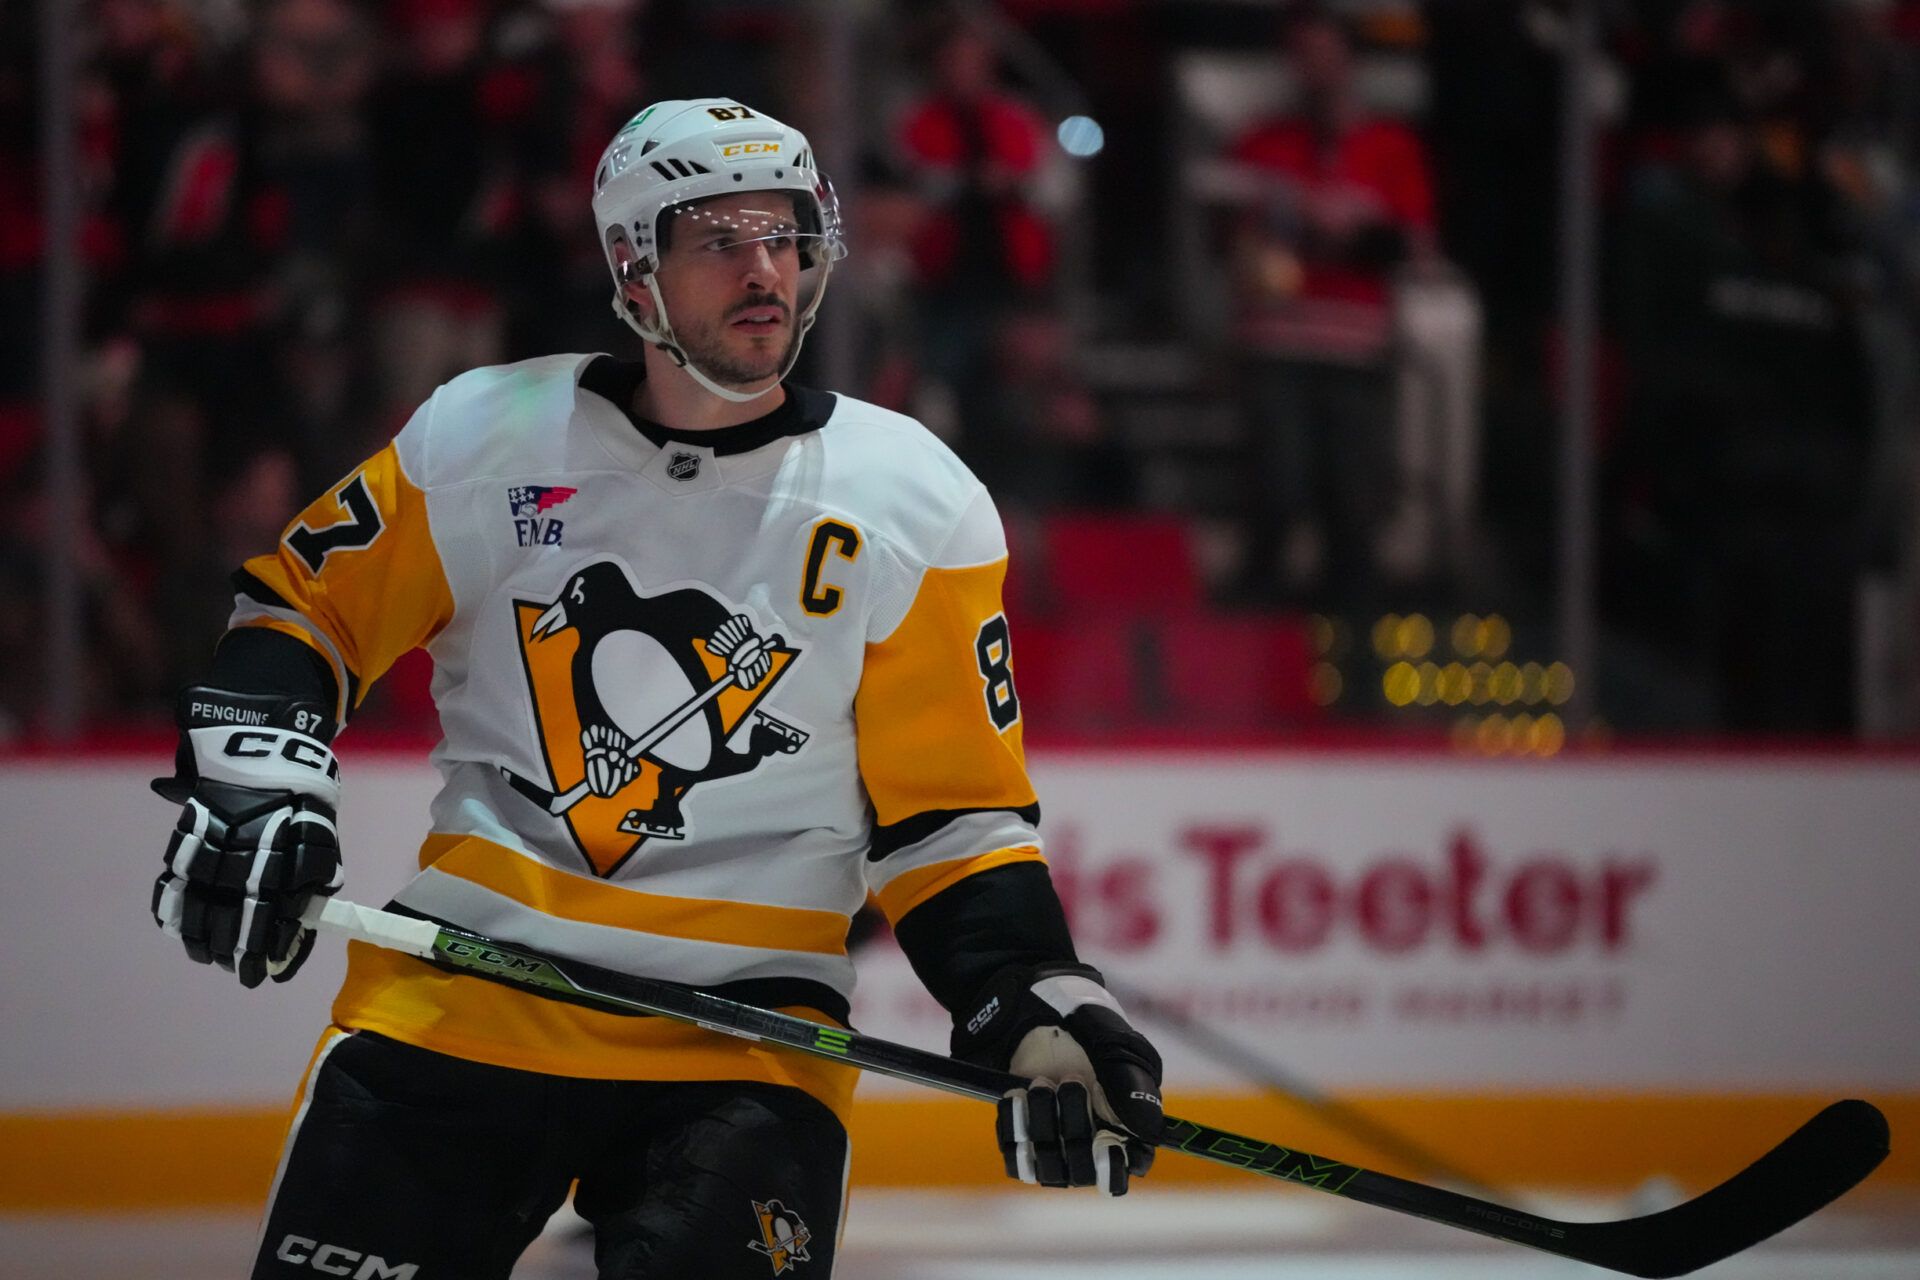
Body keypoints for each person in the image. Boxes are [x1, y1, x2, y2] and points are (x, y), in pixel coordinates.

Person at [147, 98, 1164, 1278]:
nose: (764, 268)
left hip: (746, 1047)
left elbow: (951, 820)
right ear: (634, 265)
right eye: (720, 238)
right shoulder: (489, 434)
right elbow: (304, 608)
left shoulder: (913, 501)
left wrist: (1027, 990)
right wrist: (260, 774)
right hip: (463, 999)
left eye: (784, 235)